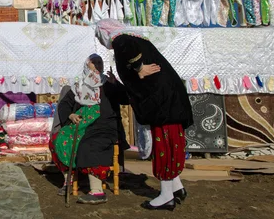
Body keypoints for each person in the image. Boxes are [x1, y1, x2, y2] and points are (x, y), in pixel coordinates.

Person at [95, 18, 194, 211]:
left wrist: (138, 67)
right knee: (172, 143)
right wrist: (125, 78)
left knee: (164, 145)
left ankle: (166, 196)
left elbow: (125, 47)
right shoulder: (138, 39)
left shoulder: (121, 39)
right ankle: (176, 188)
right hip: (169, 101)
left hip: (162, 105)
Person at [49, 53, 130, 205]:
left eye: (99, 62)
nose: (97, 65)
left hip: (104, 127)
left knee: (90, 145)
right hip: (81, 125)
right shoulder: (80, 87)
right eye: (94, 63)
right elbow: (65, 104)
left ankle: (97, 191)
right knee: (57, 139)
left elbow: (126, 99)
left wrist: (116, 84)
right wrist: (71, 115)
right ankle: (69, 180)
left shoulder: (109, 84)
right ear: (87, 66)